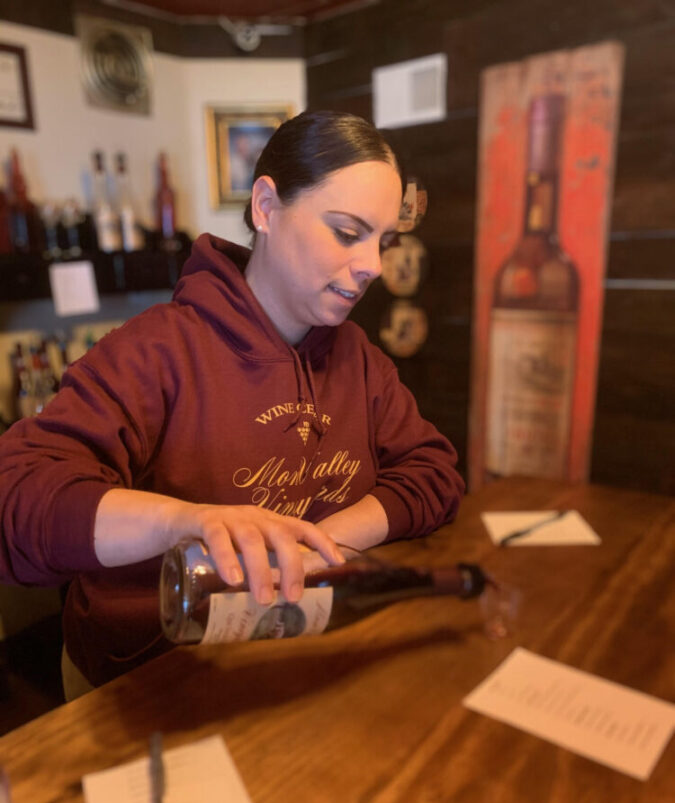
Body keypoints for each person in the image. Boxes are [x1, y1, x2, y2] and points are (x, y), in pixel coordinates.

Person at [0, 110, 465, 697]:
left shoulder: (358, 357)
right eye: (348, 232)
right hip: (145, 684)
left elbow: (434, 475)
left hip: (298, 664)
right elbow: (15, 497)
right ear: (266, 206)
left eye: (383, 241)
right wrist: (187, 523)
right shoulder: (157, 351)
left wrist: (320, 548)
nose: (372, 265)